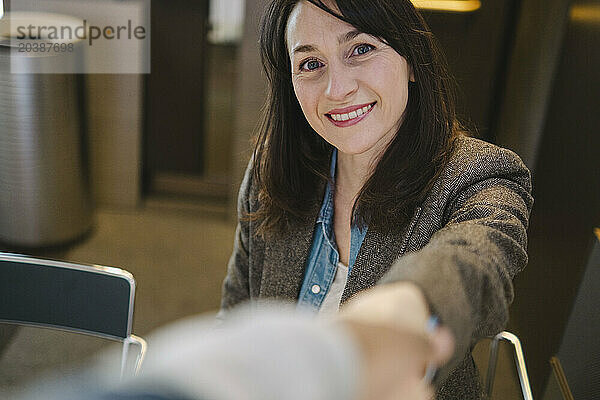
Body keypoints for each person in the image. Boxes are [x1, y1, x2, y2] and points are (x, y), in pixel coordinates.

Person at [220, 0, 533, 399]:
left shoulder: (479, 173)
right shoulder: (274, 168)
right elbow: (236, 318)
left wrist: (411, 300)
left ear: (412, 60)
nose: (338, 89)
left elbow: (478, 261)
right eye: (311, 64)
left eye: (362, 49)